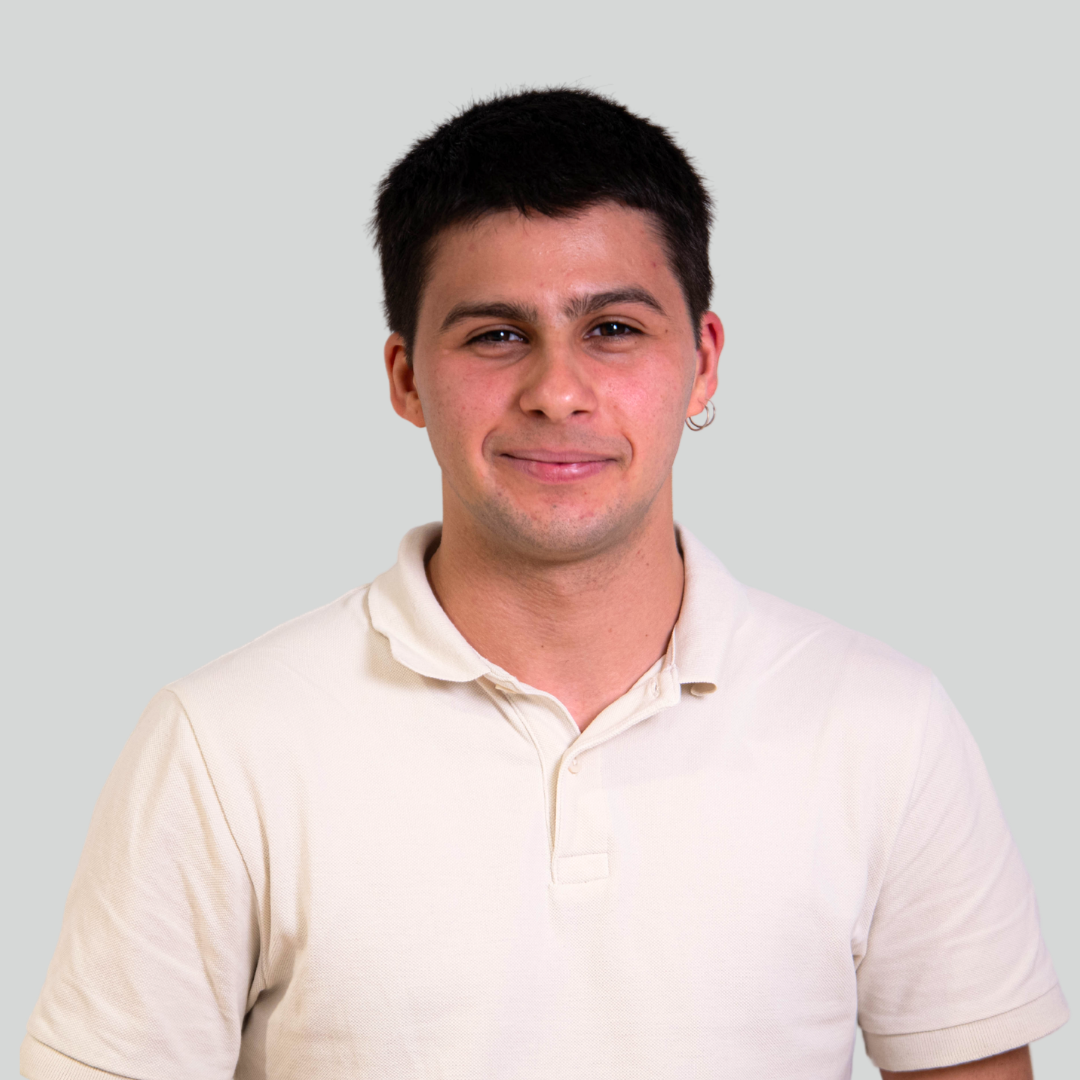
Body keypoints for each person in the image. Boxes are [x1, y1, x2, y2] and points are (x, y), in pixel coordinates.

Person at [21, 87, 1067, 1080]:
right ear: (406, 378)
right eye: (496, 335)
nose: (557, 392)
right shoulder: (221, 745)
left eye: (613, 330)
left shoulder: (884, 727)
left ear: (703, 361)